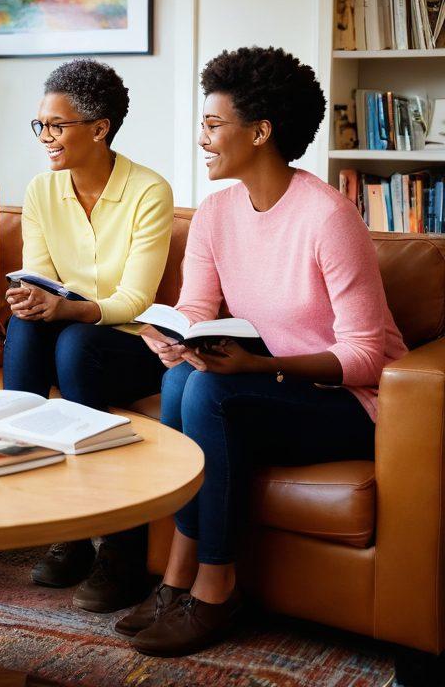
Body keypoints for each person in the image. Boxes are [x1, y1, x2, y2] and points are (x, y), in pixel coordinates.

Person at [123, 47, 406, 656]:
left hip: (347, 403)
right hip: (270, 389)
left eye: (212, 124)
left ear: (261, 131)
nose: (202, 137)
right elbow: (197, 307)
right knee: (181, 381)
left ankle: (216, 589)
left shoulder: (329, 216)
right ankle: (177, 576)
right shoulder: (215, 213)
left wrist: (261, 366)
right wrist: (173, 335)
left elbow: (367, 357)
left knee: (210, 391)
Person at [3, 60, 174, 613]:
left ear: (99, 128)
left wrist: (67, 309)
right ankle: (64, 525)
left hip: (132, 345)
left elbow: (135, 299)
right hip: (66, 335)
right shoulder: (41, 190)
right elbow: (38, 272)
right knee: (26, 331)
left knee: (77, 343)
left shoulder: (149, 190)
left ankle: (120, 552)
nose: (45, 138)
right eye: (40, 126)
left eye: (56, 126)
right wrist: (32, 300)